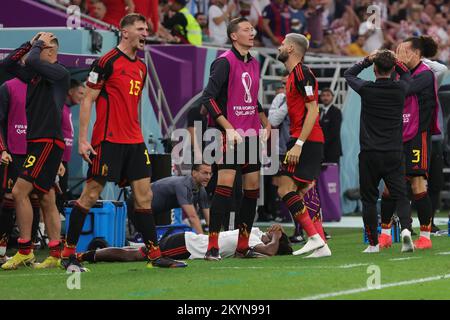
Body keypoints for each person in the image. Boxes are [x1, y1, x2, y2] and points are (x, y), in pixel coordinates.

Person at [62, 14, 186, 271]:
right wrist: (83, 141)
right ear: (125, 32)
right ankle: (68, 253)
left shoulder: (142, 67)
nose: (145, 33)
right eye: (140, 29)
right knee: (91, 194)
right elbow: (87, 100)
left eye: (146, 29)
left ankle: (154, 255)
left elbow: (134, 104)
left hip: (134, 141)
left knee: (145, 196)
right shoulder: (106, 62)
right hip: (108, 140)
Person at [201, 17, 271, 260]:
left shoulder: (253, 62)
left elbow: (251, 97)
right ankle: (212, 247)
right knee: (225, 187)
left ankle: (242, 246)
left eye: (252, 29)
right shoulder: (224, 62)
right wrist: (228, 128)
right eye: (245, 30)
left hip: (250, 134)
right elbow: (207, 98)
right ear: (233, 36)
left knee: (252, 190)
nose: (251, 32)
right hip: (228, 135)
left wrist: (265, 121)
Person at [0, 32, 70, 270]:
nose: (35, 51)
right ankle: (55, 254)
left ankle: (24, 250)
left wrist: (37, 44)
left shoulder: (59, 73)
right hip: (38, 141)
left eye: (42, 48)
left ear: (51, 52)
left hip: (47, 140)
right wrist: (29, 43)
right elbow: (7, 64)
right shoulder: (34, 76)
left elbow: (30, 61)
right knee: (47, 196)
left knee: (19, 191)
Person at [344, 49, 414, 253]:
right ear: (393, 70)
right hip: (393, 151)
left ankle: (373, 244)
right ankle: (406, 230)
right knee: (400, 195)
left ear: (374, 69)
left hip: (370, 153)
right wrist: (395, 60)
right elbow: (408, 75)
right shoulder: (400, 88)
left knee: (368, 199)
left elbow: (349, 74)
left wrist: (368, 59)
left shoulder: (366, 88)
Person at [380, 36, 442, 250]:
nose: (398, 54)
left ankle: (425, 237)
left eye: (402, 50)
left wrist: (396, 66)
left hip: (418, 137)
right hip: (398, 136)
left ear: (415, 54)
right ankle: (385, 234)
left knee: (417, 185)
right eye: (396, 50)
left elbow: (404, 90)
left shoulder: (425, 75)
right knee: (388, 186)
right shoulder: (398, 73)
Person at [276, 33, 330, 258]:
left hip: (304, 140)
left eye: (281, 44)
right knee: (303, 190)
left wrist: (298, 144)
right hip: (303, 139)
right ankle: (322, 244)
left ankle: (314, 237)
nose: (278, 47)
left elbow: (313, 110)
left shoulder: (302, 73)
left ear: (290, 48)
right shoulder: (293, 76)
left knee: (284, 188)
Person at [77, 224, 293, 263]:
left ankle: (90, 255)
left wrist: (276, 236)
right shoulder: (253, 233)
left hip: (186, 244)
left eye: (273, 234)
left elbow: (271, 251)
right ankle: (87, 256)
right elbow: (271, 250)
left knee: (136, 252)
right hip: (187, 244)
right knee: (137, 254)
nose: (269, 231)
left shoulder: (255, 240)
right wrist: (276, 236)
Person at [0, 77, 41, 265]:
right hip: (14, 153)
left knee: (37, 199)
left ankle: (28, 252)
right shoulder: (9, 87)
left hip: (38, 151)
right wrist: (2, 149)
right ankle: (2, 252)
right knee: (9, 199)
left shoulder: (45, 84)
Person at [128, 164, 212, 234]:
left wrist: (215, 239)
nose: (208, 177)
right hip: (137, 203)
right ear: (194, 173)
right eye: (204, 173)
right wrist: (204, 242)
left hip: (152, 210)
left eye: (210, 173)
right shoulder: (184, 185)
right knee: (146, 241)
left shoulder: (201, 190)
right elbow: (192, 217)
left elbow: (209, 220)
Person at [319, 88, 342, 164]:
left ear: (332, 97)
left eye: (328, 95)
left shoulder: (336, 112)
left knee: (331, 175)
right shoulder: (318, 111)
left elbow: (334, 132)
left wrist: (323, 145)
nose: (325, 98)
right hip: (320, 151)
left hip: (332, 151)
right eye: (323, 95)